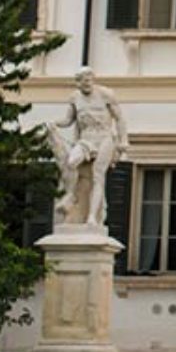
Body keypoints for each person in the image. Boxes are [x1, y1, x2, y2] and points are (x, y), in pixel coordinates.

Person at [47, 66, 127, 229]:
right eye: (84, 82)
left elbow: (119, 118)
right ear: (78, 83)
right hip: (86, 139)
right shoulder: (75, 98)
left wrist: (123, 140)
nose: (87, 84)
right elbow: (68, 120)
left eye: (89, 80)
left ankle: (92, 217)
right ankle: (70, 195)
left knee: (98, 175)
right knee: (71, 163)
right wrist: (54, 123)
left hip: (104, 138)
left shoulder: (106, 94)